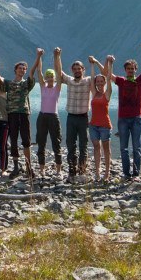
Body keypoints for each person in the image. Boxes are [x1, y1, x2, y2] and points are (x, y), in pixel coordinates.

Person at [0, 49, 42, 178]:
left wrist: (38, 56)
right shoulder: (8, 84)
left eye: (24, 69)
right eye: (20, 68)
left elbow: (32, 71)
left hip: (24, 113)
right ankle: (15, 167)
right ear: (15, 70)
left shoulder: (27, 84)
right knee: (13, 140)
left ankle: (29, 167)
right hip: (12, 114)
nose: (22, 70)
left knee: (26, 141)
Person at [55, 48, 92, 184]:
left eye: (79, 68)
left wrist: (96, 63)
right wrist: (57, 56)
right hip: (71, 117)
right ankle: (71, 172)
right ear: (72, 70)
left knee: (83, 145)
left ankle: (82, 172)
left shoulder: (88, 81)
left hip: (83, 117)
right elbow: (59, 71)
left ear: (83, 70)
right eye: (75, 69)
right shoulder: (69, 80)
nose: (77, 70)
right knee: (70, 145)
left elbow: (103, 76)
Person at [113, 55, 141, 180]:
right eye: (128, 68)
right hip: (123, 119)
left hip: (136, 118)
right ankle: (126, 173)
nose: (130, 70)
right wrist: (108, 62)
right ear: (125, 70)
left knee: (137, 147)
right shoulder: (121, 81)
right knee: (124, 148)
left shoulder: (139, 81)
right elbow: (108, 74)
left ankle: (136, 173)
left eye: (132, 68)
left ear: (135, 70)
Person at [87, 55, 114, 181]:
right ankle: (97, 171)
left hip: (104, 125)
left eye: (101, 81)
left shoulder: (107, 94)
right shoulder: (94, 93)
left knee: (106, 149)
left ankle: (107, 172)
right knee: (96, 147)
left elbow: (109, 78)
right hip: (93, 125)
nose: (99, 83)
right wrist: (92, 64)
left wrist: (110, 63)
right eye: (97, 82)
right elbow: (92, 78)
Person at [35, 67, 64, 178]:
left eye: (51, 76)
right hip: (42, 116)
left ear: (54, 78)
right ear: (46, 78)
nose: (49, 78)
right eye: (48, 76)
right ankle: (42, 170)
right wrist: (39, 56)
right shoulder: (43, 87)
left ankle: (58, 170)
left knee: (56, 143)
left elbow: (59, 70)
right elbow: (39, 72)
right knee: (41, 143)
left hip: (53, 117)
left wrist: (58, 56)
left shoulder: (57, 87)